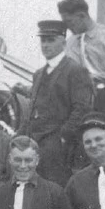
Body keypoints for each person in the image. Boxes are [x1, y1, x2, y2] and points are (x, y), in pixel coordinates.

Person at [25, 20, 94, 187]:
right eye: (43, 40)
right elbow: (32, 109)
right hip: (35, 139)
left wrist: (63, 137)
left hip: (58, 145)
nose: (46, 45)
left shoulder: (75, 71)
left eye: (51, 40)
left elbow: (82, 109)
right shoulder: (38, 74)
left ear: (63, 42)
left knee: (53, 189)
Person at [59, 0, 105, 118]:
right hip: (79, 101)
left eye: (69, 22)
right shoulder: (70, 43)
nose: (68, 27)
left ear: (82, 15)